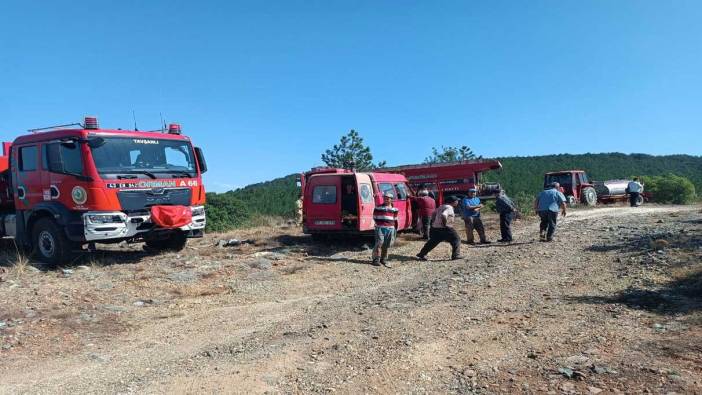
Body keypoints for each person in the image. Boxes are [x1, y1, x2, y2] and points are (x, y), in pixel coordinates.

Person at [416, 195, 463, 261]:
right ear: (453, 202)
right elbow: (444, 215)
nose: (457, 202)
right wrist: (445, 224)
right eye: (456, 201)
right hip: (445, 227)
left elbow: (433, 214)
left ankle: (422, 254)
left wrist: (434, 222)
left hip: (436, 227)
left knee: (433, 241)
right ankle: (456, 255)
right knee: (456, 239)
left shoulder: (441, 206)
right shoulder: (449, 207)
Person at [372, 192, 399, 267]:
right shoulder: (378, 207)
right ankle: (376, 259)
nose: (386, 200)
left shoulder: (395, 210)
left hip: (390, 228)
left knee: (386, 244)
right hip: (380, 228)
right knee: (379, 243)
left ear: (391, 200)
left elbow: (395, 219)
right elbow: (374, 216)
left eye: (388, 198)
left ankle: (383, 259)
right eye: (385, 198)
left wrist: (395, 229)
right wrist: (377, 224)